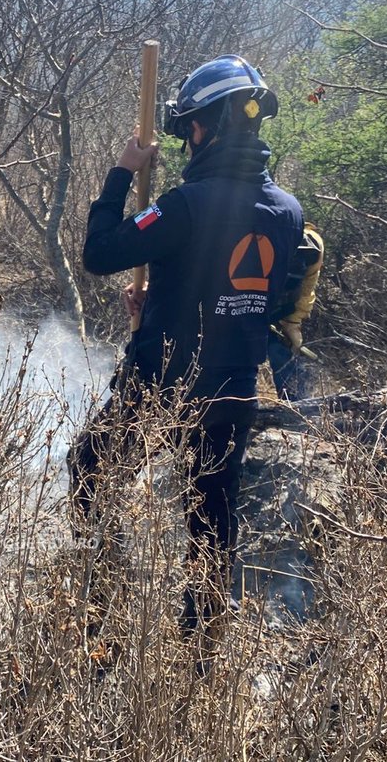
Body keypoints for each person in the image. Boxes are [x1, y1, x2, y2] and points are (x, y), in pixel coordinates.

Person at [70, 53, 305, 648]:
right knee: (210, 525)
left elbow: (99, 252)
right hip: (234, 391)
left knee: (89, 474)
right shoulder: (288, 212)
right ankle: (199, 658)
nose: (185, 140)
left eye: (188, 129)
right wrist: (160, 306)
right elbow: (251, 300)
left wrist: (123, 172)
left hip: (161, 385)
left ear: (205, 128)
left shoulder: (183, 205)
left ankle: (101, 616)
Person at [266, 222, 324, 401]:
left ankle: (295, 412)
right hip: (232, 309)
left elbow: (306, 288)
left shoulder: (312, 244)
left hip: (276, 314)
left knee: (282, 353)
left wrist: (292, 324)